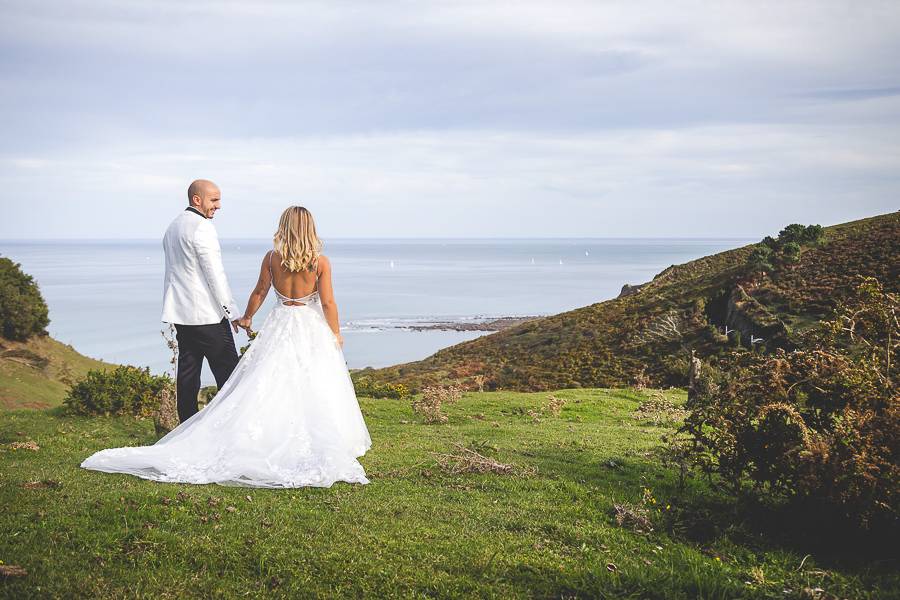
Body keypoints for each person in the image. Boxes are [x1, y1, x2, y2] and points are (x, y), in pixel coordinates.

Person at [80, 206, 372, 488]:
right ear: (310, 229)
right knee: (313, 380)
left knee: (270, 381)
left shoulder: (272, 258)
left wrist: (246, 317)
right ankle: (311, 434)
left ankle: (270, 434)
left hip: (281, 321)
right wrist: (335, 333)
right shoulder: (320, 262)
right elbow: (329, 302)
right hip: (310, 325)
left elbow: (260, 291)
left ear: (284, 228)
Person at [161, 179, 242, 423]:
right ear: (197, 199)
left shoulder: (173, 227)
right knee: (230, 375)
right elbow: (214, 274)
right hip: (207, 315)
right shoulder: (202, 227)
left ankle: (186, 427)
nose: (218, 206)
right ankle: (231, 425)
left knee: (188, 374)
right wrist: (233, 312)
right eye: (214, 200)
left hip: (181, 314)